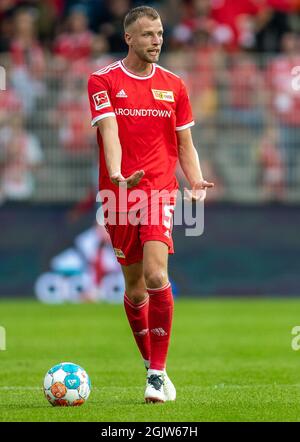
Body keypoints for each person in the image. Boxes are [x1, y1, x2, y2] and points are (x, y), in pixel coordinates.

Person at [88, 5, 214, 403]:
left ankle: (156, 376)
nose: (156, 40)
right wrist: (118, 173)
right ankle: (152, 364)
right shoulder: (102, 80)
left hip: (159, 191)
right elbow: (109, 131)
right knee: (135, 287)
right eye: (147, 34)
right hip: (119, 192)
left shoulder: (175, 85)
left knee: (158, 277)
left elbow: (184, 143)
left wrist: (193, 180)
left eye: (159, 33)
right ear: (128, 38)